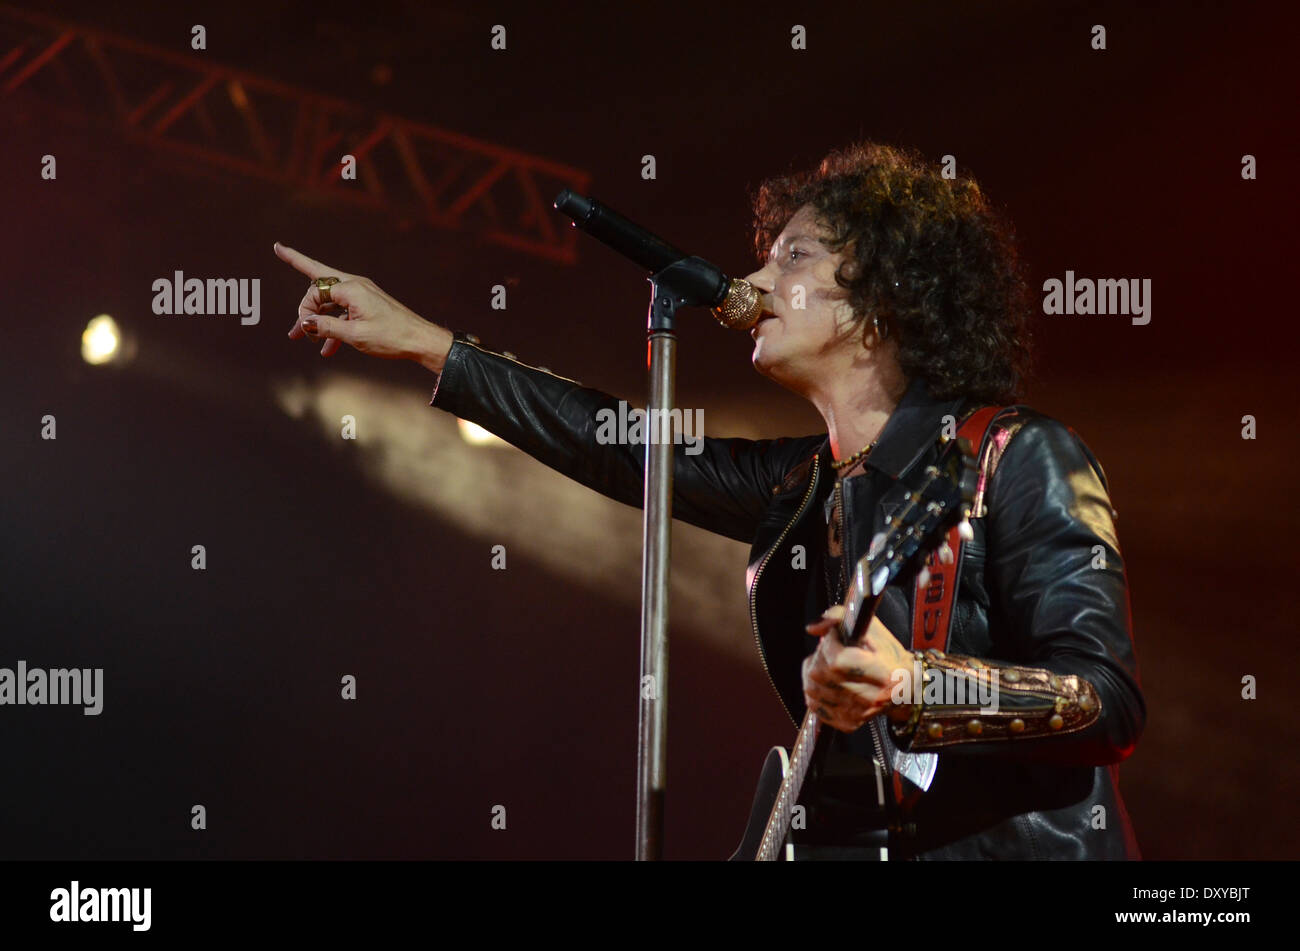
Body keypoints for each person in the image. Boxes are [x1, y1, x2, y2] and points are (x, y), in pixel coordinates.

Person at [274, 141, 1144, 860]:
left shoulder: (1016, 455)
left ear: (882, 294)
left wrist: (918, 682)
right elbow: (615, 444)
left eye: (792, 257)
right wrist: (425, 343)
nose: (752, 282)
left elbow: (1108, 701)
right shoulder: (806, 484)